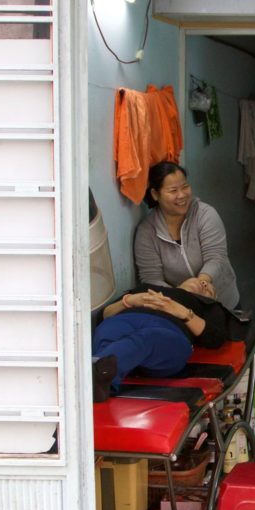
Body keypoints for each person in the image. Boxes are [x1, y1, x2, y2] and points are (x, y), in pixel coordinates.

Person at [91, 277, 240, 402]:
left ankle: (94, 377)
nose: (205, 284)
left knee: (147, 338)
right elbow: (103, 316)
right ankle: (100, 381)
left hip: (170, 331)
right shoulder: (146, 288)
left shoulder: (208, 306)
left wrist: (182, 312)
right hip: (125, 319)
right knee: (107, 330)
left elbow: (215, 338)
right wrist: (130, 300)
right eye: (199, 280)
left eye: (210, 291)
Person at [134, 162, 240, 310]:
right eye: (173, 190)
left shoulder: (205, 215)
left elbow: (216, 257)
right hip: (182, 308)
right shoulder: (147, 232)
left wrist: (201, 283)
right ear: (155, 194)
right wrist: (181, 291)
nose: (182, 195)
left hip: (223, 302)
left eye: (185, 187)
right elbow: (151, 279)